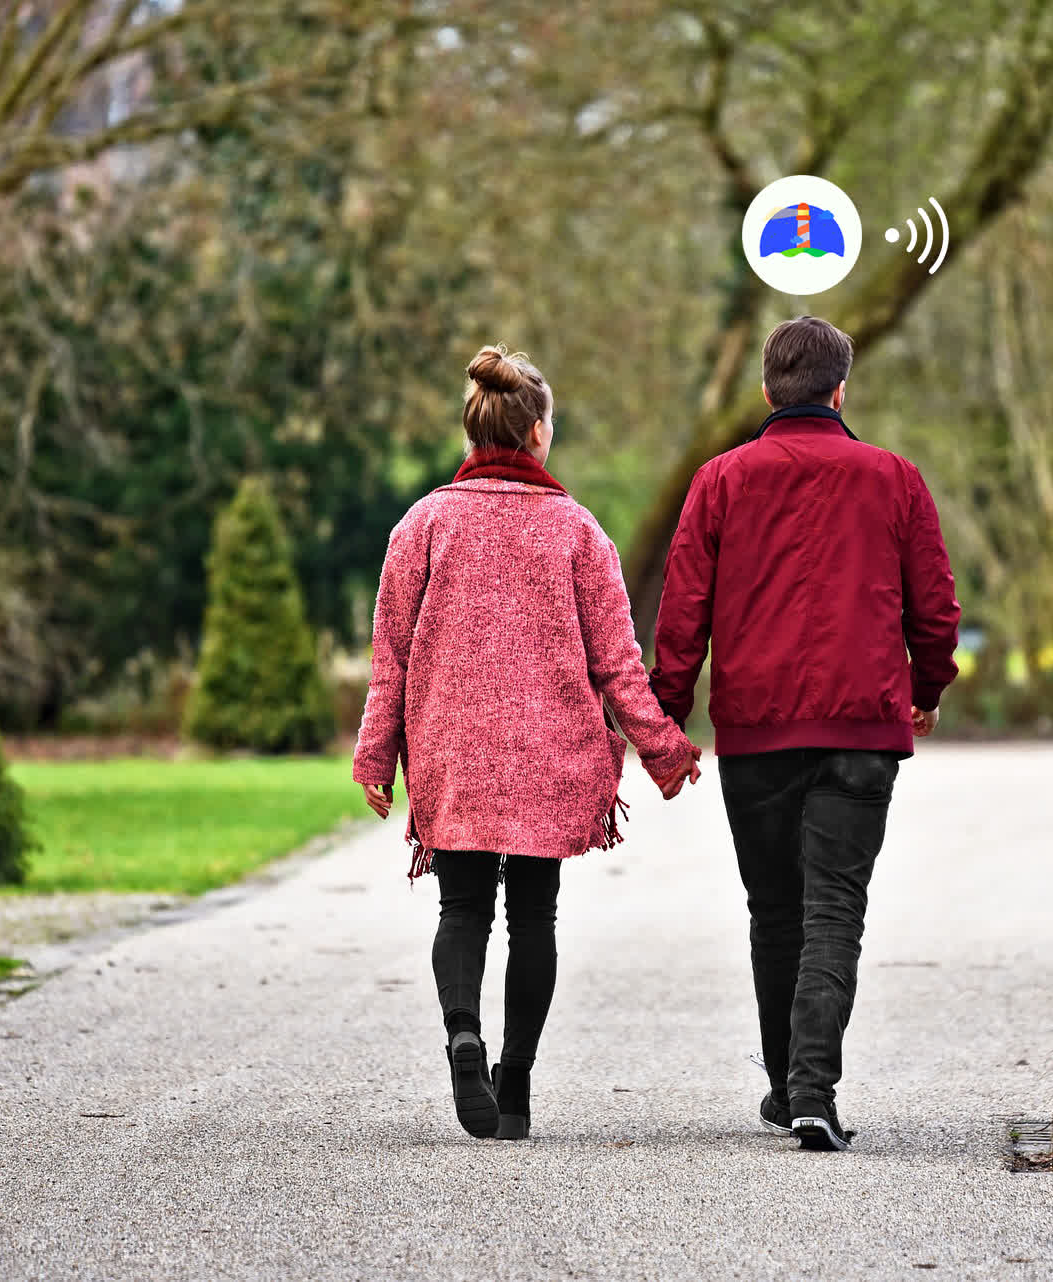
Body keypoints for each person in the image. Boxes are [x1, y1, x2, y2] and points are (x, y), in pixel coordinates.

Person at [354, 345, 702, 1142]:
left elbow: (391, 661)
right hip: (551, 755)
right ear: (538, 433)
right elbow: (617, 664)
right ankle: (514, 1089)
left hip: (453, 748)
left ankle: (462, 1034)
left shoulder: (423, 526)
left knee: (463, 905)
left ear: (471, 430)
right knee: (534, 918)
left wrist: (376, 757)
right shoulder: (578, 531)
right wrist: (664, 750)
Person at [649, 315, 961, 1151]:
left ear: (766, 391)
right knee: (834, 910)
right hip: (862, 728)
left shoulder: (719, 481)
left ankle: (791, 1087)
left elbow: (682, 614)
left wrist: (666, 720)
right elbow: (935, 607)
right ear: (840, 389)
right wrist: (927, 688)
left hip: (756, 732)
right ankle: (812, 1089)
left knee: (775, 909)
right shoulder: (893, 478)